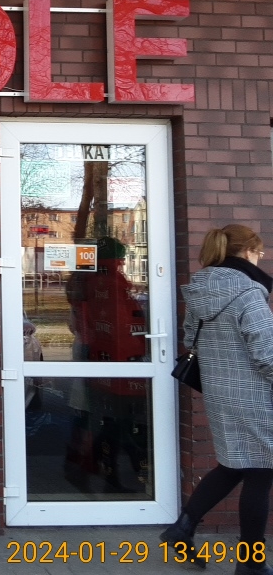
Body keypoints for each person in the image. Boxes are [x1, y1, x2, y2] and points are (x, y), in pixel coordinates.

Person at [161, 224, 273, 574]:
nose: (261, 258)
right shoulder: (249, 293)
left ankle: (182, 528)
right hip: (255, 396)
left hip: (219, 393)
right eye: (259, 252)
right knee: (261, 472)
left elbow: (189, 339)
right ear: (247, 252)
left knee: (234, 465)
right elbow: (268, 355)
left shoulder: (200, 289)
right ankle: (251, 562)